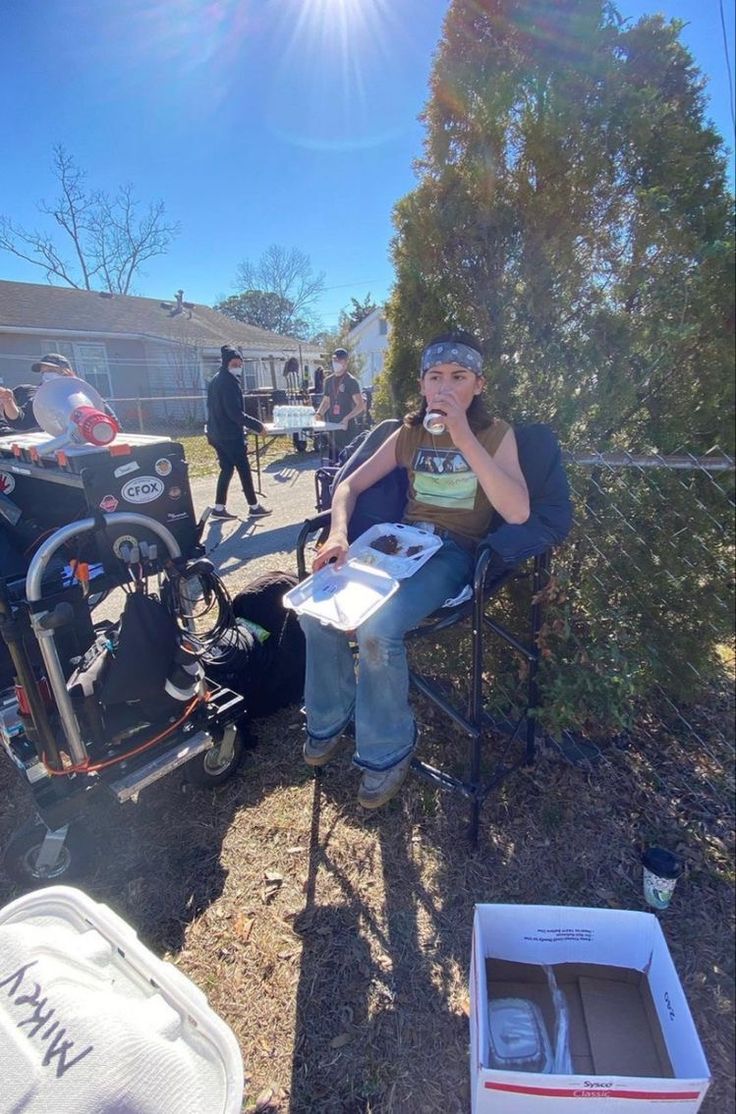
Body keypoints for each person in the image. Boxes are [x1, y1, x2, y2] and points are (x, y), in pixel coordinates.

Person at [299, 330, 530, 809]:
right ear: (423, 385)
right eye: (435, 377)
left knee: (378, 632)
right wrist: (339, 533)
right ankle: (330, 717)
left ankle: (386, 751)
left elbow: (518, 512)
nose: (445, 387)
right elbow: (348, 487)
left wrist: (464, 434)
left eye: (458, 377)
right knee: (316, 610)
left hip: (453, 554)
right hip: (397, 545)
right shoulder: (410, 433)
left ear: (478, 385)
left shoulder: (496, 434)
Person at [206, 345, 271, 520]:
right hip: (228, 435)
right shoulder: (227, 382)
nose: (238, 367)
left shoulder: (216, 379)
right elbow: (235, 413)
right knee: (243, 468)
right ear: (227, 363)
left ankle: (219, 508)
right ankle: (254, 506)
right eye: (235, 363)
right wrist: (258, 426)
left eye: (240, 363)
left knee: (226, 469)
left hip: (215, 433)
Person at [0, 353, 77, 432]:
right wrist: (8, 402)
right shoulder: (39, 395)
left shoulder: (79, 394)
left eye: (51, 370)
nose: (46, 375)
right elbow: (21, 421)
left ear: (67, 372)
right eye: (43, 372)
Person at [315, 348, 365, 461]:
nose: (336, 363)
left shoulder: (351, 381)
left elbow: (360, 405)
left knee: (347, 462)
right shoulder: (328, 381)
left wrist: (347, 418)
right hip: (333, 428)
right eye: (334, 360)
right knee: (333, 461)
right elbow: (326, 402)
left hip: (347, 429)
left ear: (345, 363)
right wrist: (319, 413)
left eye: (339, 361)